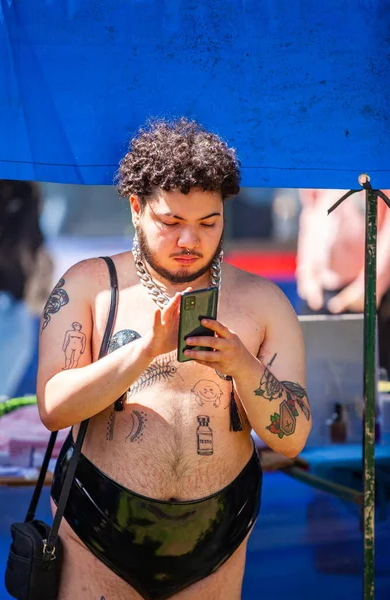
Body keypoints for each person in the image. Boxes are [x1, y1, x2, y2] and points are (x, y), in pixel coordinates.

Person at [37, 118, 312, 600]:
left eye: (209, 223)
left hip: (217, 531)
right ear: (137, 207)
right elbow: (53, 409)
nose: (190, 241)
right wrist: (144, 351)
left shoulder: (262, 300)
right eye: (171, 223)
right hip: (98, 527)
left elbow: (293, 440)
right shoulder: (91, 285)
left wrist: (243, 365)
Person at [296, 187, 390, 377]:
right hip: (320, 296)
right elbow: (310, 211)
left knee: (371, 384)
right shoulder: (321, 164)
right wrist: (308, 275)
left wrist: (370, 286)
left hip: (368, 298)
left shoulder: (378, 163)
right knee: (319, 383)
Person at [0, 180, 53, 398]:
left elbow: (32, 239)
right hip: (2, 294)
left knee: (16, 350)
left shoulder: (24, 190)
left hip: (11, 293)